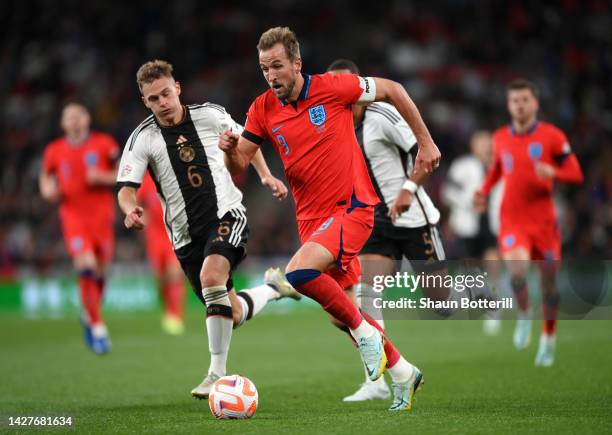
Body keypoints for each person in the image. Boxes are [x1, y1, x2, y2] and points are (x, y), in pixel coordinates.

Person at [219, 27, 441, 411]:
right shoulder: (261, 109)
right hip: (311, 221)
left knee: (299, 274)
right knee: (344, 316)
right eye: (264, 68)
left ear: (296, 64)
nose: (271, 76)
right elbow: (239, 162)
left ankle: (369, 338)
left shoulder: (333, 87)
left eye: (277, 66)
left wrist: (426, 142)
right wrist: (228, 152)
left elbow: (392, 89)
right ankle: (404, 373)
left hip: (353, 208)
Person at [116, 59, 300, 398]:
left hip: (226, 214)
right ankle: (274, 289)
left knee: (211, 278)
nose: (162, 103)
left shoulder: (210, 115)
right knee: (230, 312)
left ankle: (216, 374)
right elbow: (126, 188)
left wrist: (265, 175)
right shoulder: (142, 138)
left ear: (178, 89)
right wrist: (130, 211)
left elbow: (247, 140)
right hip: (185, 237)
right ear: (145, 102)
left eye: (166, 94)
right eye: (153, 99)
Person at [326, 59, 493, 402]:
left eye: (347, 84)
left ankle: (477, 293)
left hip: (414, 218)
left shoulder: (382, 116)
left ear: (358, 85)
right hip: (376, 222)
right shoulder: (338, 125)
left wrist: (407, 191)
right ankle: (375, 383)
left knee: (441, 301)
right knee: (366, 297)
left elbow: (427, 154)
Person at [475, 78, 584, 366]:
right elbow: (497, 170)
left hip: (544, 222)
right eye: (515, 100)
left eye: (525, 100)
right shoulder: (500, 137)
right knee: (518, 271)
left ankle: (548, 339)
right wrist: (484, 192)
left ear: (535, 103)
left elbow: (575, 173)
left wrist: (554, 172)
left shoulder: (552, 136)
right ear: (509, 105)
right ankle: (525, 313)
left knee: (549, 286)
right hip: (512, 219)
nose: (520, 105)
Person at [40, 102, 119, 354]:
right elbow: (46, 176)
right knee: (85, 265)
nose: (73, 121)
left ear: (87, 119)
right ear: (63, 123)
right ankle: (97, 327)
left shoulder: (105, 144)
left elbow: (123, 173)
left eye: (78, 116)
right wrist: (47, 189)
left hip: (102, 218)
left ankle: (89, 312)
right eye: (68, 117)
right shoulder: (54, 150)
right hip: (73, 218)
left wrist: (102, 177)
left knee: (101, 272)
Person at [442, 130, 504, 335]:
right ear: (473, 146)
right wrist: (470, 202)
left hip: (493, 224)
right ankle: (478, 297)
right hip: (468, 225)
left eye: (487, 142)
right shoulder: (462, 166)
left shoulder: (501, 166)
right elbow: (447, 192)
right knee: (471, 269)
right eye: (480, 143)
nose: (485, 147)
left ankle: (493, 310)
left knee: (493, 261)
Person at [137, 171, 187, 335]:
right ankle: (167, 307)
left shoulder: (177, 174)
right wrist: (141, 215)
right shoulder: (146, 181)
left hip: (175, 233)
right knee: (160, 278)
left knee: (175, 273)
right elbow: (137, 203)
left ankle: (175, 315)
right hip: (154, 235)